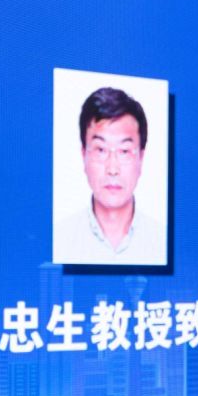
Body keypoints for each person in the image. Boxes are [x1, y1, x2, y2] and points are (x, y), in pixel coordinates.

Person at [54, 86, 167, 264]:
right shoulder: (59, 241)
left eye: (124, 151)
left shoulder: (162, 242)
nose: (112, 169)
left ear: (141, 158)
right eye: (101, 150)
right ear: (84, 155)